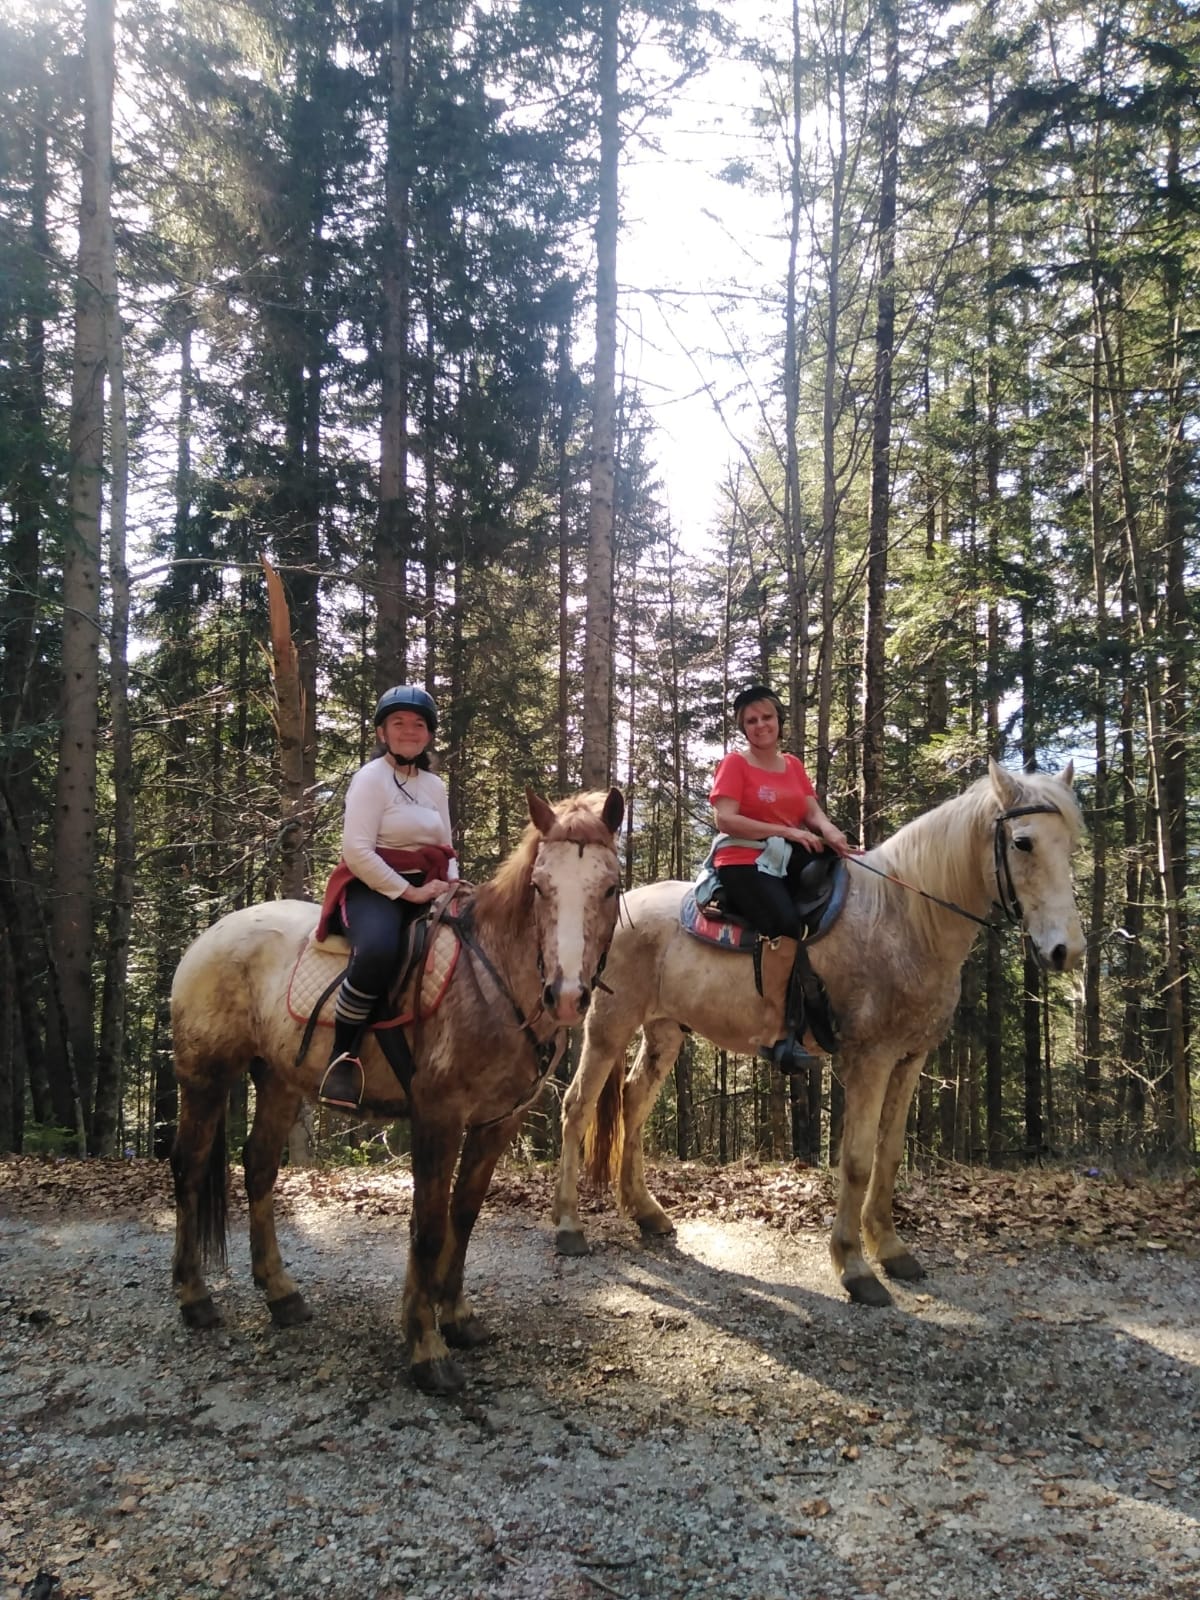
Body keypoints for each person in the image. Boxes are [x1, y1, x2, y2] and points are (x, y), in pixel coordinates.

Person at [315, 685, 457, 1110]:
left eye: (418, 724)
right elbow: (356, 851)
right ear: (382, 732)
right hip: (373, 887)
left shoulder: (434, 785)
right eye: (398, 723)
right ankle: (343, 1056)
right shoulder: (370, 779)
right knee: (377, 951)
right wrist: (408, 890)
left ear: (428, 735)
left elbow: (447, 848)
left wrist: (451, 884)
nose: (409, 731)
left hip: (425, 887)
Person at [709, 683, 849, 1069]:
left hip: (789, 855)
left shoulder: (793, 765)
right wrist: (785, 831)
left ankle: (829, 998)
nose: (760, 725)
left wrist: (832, 833)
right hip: (743, 858)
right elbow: (725, 818)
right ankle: (774, 1030)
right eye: (751, 720)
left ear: (778, 720)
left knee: (846, 882)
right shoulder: (735, 764)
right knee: (785, 923)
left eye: (766, 717)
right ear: (743, 728)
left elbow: (812, 812)